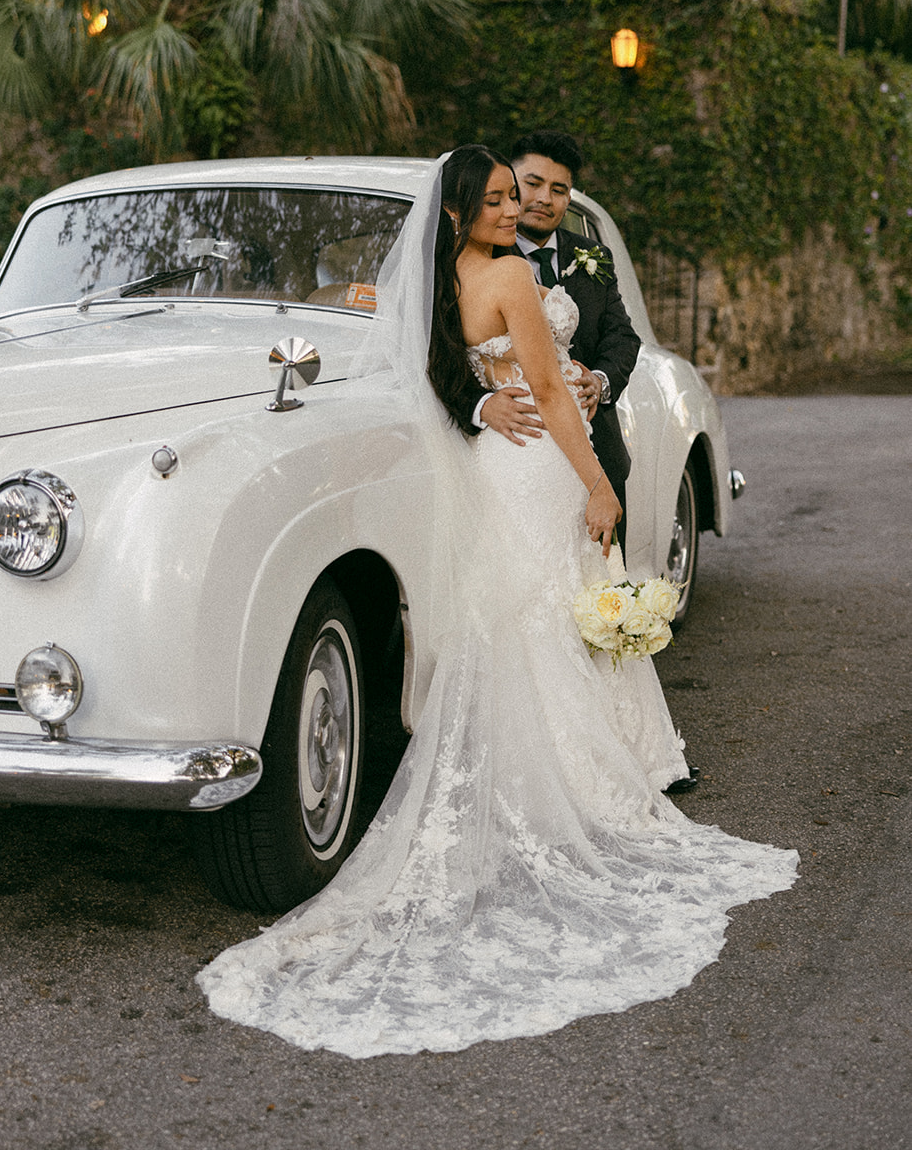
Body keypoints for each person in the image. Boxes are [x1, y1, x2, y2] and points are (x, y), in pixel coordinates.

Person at [197, 147, 797, 1059]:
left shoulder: (440, 283)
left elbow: (458, 369)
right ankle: (577, 787)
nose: (512, 209)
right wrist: (598, 484)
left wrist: (486, 406)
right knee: (551, 613)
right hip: (537, 461)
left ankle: (549, 773)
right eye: (493, 200)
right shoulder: (512, 271)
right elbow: (550, 388)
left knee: (514, 619)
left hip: (490, 463)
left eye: (512, 197)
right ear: (461, 212)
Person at [450, 130, 639, 542]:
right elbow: (440, 353)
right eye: (530, 185)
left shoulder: (593, 255)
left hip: (595, 444)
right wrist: (480, 404)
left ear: (570, 197)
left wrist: (600, 381)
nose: (539, 200)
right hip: (526, 440)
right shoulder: (491, 263)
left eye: (559, 189)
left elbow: (623, 336)